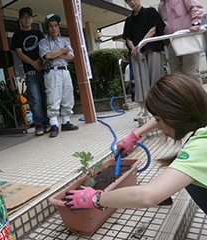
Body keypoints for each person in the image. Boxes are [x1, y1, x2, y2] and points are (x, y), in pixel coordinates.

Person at [64, 73, 207, 214]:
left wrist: (95, 198)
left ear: (174, 114)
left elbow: (147, 196)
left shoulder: (201, 145)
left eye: (158, 120)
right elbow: (163, 116)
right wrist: (134, 135)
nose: (159, 127)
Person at [10, 7, 50, 136]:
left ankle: (48, 123)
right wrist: (33, 63)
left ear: (32, 18)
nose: (26, 19)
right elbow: (19, 54)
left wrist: (39, 61)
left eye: (29, 16)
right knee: (35, 99)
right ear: (20, 19)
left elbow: (44, 49)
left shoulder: (38, 33)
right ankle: (39, 125)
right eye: (24, 16)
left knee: (46, 98)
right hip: (30, 73)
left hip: (43, 70)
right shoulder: (17, 36)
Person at [39, 13, 79, 138]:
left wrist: (56, 54)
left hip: (65, 70)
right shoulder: (43, 42)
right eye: (51, 26)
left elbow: (71, 56)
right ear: (47, 28)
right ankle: (54, 124)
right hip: (52, 71)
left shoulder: (64, 41)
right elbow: (47, 56)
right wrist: (62, 51)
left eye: (56, 25)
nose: (54, 28)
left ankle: (66, 122)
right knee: (53, 97)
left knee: (68, 96)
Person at [123, 0, 165, 116]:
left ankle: (159, 109)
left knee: (156, 79)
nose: (132, 2)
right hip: (136, 54)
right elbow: (127, 38)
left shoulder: (150, 12)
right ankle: (144, 110)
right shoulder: (129, 20)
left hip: (152, 49)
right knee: (140, 81)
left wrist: (139, 46)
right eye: (128, 1)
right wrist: (135, 50)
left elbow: (153, 30)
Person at [158, 0, 204, 83]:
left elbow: (196, 8)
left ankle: (198, 96)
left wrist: (196, 23)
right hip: (172, 42)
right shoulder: (161, 6)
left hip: (187, 38)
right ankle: (183, 96)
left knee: (190, 73)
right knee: (176, 76)